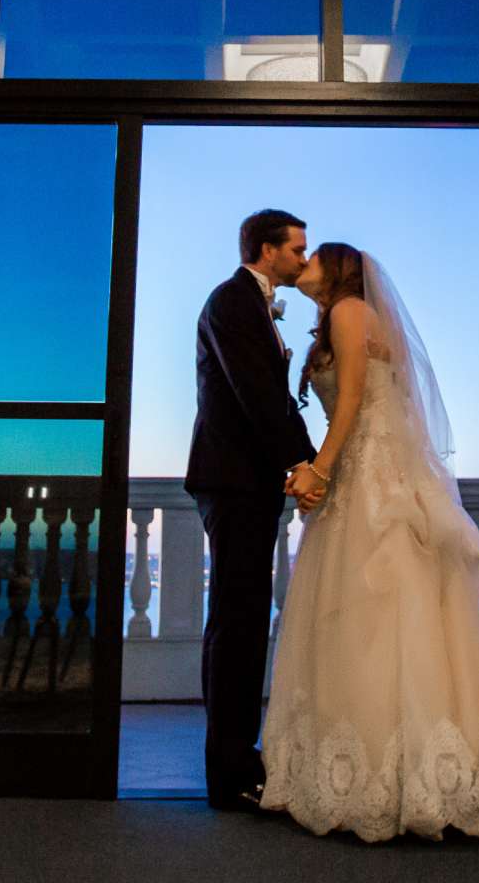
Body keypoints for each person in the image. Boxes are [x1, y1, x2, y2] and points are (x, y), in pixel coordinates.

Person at [260, 240, 479, 841]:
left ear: (339, 270)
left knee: (380, 615)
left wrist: (320, 470)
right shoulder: (342, 318)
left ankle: (408, 775)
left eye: (313, 257)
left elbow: (353, 399)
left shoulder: (350, 310)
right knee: (358, 620)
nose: (304, 265)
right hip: (360, 473)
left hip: (370, 481)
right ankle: (367, 766)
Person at [182, 208, 321, 811]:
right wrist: (305, 462)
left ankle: (239, 757)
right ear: (266, 250)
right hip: (234, 480)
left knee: (241, 619)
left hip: (246, 481)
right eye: (296, 250)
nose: (303, 260)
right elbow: (256, 393)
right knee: (237, 623)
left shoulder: (253, 303)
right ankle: (230, 770)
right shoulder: (232, 300)